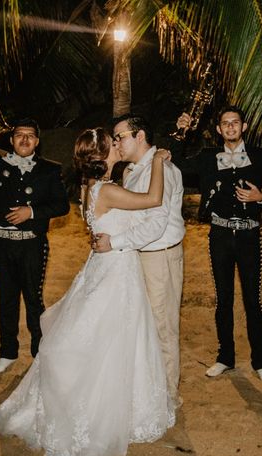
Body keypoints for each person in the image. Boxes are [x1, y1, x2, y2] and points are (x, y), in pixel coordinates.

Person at [0, 128, 175, 456]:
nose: (119, 144)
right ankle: (101, 409)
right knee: (109, 339)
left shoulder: (93, 188)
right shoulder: (106, 189)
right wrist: (160, 163)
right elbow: (152, 200)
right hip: (115, 271)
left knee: (112, 338)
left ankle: (123, 405)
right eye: (113, 142)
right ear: (104, 154)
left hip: (108, 266)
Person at [170, 106, 262, 385]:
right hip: (219, 235)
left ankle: (260, 361)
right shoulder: (208, 157)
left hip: (248, 236)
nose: (231, 127)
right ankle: (225, 357)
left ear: (244, 127)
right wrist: (181, 132)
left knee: (252, 299)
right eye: (225, 123)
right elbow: (177, 165)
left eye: (235, 123)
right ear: (219, 130)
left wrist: (261, 197)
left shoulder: (261, 157)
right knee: (223, 299)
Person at [0, 91, 70, 374]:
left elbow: (62, 205)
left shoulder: (49, 170)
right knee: (6, 297)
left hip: (31, 244)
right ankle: (7, 352)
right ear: (11, 140)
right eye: (19, 135)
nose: (24, 140)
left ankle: (39, 352)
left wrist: (32, 212)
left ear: (37, 141)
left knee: (34, 299)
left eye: (30, 136)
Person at [92, 114, 185, 406]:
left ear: (140, 136)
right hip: (134, 258)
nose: (117, 142)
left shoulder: (164, 170)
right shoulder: (132, 171)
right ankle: (147, 392)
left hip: (158, 258)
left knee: (162, 328)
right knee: (141, 328)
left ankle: (167, 398)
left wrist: (115, 243)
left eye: (120, 136)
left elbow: (155, 225)